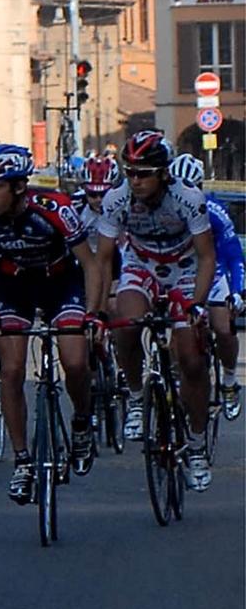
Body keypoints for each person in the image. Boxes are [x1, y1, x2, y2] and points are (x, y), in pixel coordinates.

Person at [87, 130, 219, 490]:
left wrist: (196, 304)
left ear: (163, 173)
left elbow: (207, 256)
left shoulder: (187, 197)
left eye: (144, 173)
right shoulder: (117, 199)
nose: (135, 180)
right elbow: (102, 260)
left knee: (191, 359)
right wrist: (97, 310)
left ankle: (195, 446)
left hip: (184, 268)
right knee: (124, 324)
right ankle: (134, 396)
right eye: (130, 172)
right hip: (141, 264)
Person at [0, 142, 97, 499]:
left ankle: (83, 421)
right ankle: (22, 460)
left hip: (60, 282)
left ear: (19, 187)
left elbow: (90, 263)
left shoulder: (55, 207)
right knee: (10, 370)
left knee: (74, 359)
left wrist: (94, 314)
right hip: (14, 285)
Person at [168, 156, 242, 414]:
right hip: (181, 273)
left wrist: (238, 290)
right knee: (176, 338)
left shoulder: (214, 210)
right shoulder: (164, 208)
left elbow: (233, 253)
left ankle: (230, 381)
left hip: (215, 272)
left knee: (223, 327)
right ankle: (175, 379)